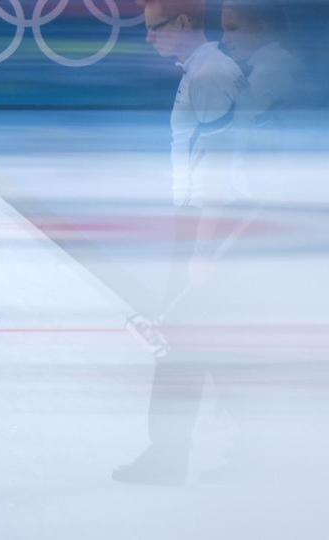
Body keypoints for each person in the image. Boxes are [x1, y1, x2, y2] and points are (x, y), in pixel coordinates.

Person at [115, 0, 247, 485]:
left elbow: (216, 164)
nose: (149, 38)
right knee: (201, 347)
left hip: (201, 225)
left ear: (185, 23)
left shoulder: (210, 74)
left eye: (155, 28)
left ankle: (169, 453)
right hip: (194, 222)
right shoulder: (201, 70)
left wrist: (202, 248)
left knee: (182, 348)